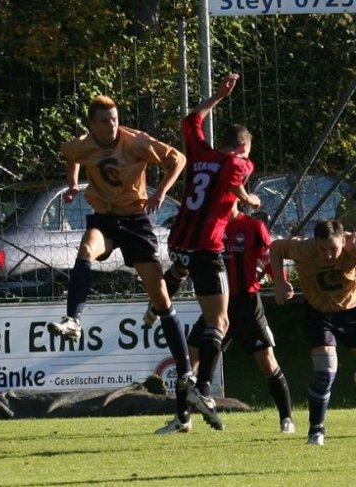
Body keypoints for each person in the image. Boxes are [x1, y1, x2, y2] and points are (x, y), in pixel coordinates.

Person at [46, 94, 198, 428]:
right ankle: (73, 319)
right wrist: (73, 184)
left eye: (114, 118)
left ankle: (186, 371)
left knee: (161, 300)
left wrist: (159, 193)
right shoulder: (84, 145)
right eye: (104, 120)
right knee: (86, 250)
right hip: (105, 219)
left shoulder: (137, 142)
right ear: (92, 124)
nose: (111, 124)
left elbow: (180, 160)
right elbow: (71, 154)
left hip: (136, 221)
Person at [149, 73, 261, 432]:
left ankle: (157, 304)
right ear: (243, 148)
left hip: (179, 241)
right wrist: (248, 197)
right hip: (206, 247)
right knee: (219, 322)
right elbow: (235, 177)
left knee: (185, 282)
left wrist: (217, 96)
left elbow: (189, 121)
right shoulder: (237, 163)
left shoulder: (199, 154)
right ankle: (205, 391)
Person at [156, 203, 295, 434]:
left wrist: (281, 280)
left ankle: (286, 419)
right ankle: (182, 420)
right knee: (189, 359)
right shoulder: (207, 229)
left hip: (247, 305)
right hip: (217, 303)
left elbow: (269, 259)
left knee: (267, 361)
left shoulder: (253, 227)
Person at [269, 219, 356, 446]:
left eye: (333, 249)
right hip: (319, 313)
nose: (328, 256)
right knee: (325, 371)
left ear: (344, 241)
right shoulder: (305, 248)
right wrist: (280, 282)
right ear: (315, 243)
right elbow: (276, 248)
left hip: (353, 312)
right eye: (323, 250)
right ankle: (316, 430)